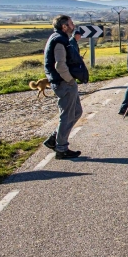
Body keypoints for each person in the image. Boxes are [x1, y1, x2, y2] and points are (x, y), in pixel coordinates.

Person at [42, 15, 83, 159]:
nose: (73, 25)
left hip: (64, 82)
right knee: (67, 115)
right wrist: (70, 80)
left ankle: (55, 139)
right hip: (64, 83)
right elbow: (59, 64)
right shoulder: (59, 40)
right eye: (71, 23)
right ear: (64, 26)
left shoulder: (59, 38)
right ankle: (61, 149)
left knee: (77, 111)